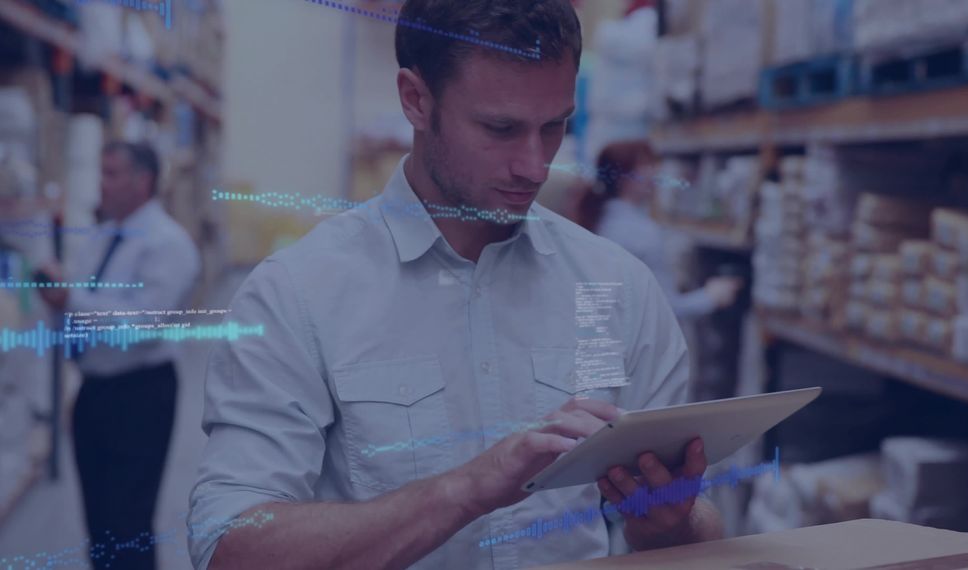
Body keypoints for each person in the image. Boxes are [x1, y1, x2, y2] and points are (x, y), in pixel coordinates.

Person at [188, 2, 723, 569]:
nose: (536, 166)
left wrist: (668, 521)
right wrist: (468, 488)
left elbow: (694, 528)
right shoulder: (298, 294)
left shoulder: (620, 287)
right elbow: (230, 546)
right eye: (501, 128)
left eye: (554, 126)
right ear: (416, 100)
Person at [35, 141, 201, 570]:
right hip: (95, 391)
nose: (101, 185)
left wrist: (70, 298)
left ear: (142, 181)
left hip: (140, 394)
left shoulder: (169, 244)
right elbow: (84, 298)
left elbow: (143, 326)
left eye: (111, 174)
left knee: (129, 524)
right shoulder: (102, 234)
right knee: (100, 522)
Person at [576, 140, 740, 319]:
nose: (654, 172)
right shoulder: (638, 232)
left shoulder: (602, 218)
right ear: (624, 177)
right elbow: (663, 309)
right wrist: (711, 296)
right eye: (645, 165)